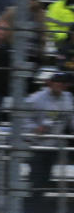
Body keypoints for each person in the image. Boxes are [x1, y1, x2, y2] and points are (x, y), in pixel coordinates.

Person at [25, 73, 74, 201]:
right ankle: (32, 208)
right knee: (38, 178)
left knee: (46, 178)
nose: (61, 85)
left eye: (63, 83)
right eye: (58, 82)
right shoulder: (35, 99)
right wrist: (34, 128)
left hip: (56, 145)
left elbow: (71, 118)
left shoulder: (67, 97)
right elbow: (22, 120)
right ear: (50, 83)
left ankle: (41, 206)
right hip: (38, 145)